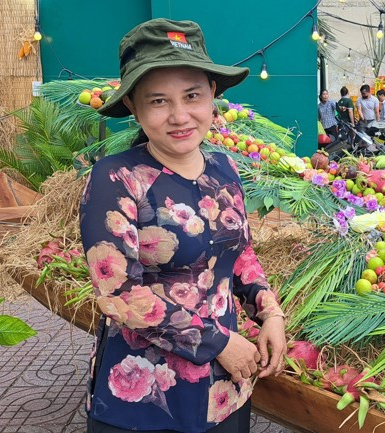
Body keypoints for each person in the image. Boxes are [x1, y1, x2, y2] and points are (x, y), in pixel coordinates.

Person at [81, 18, 286, 433]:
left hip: (224, 391)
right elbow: (119, 293)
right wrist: (219, 342)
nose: (179, 116)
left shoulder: (223, 169)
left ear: (213, 95)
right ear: (135, 108)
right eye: (158, 101)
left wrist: (270, 314)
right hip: (144, 399)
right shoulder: (117, 179)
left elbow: (239, 252)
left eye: (192, 95)